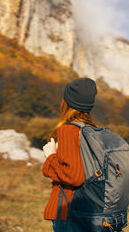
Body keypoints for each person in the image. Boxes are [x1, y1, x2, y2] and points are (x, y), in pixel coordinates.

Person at [42, 77, 98, 232]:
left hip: (70, 213)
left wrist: (51, 156)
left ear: (66, 102)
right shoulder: (93, 130)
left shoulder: (68, 130)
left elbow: (74, 176)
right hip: (91, 212)